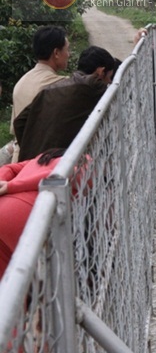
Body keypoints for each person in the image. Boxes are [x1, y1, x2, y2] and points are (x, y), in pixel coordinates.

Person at [13, 46, 117, 161]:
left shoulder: (48, 90)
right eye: (109, 77)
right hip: (54, 164)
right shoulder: (93, 84)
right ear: (101, 72)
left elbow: (19, 122)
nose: (110, 82)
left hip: (31, 163)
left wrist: (31, 149)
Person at [0, 148, 65, 279]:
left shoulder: (42, 157)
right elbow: (57, 177)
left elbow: (9, 168)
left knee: (9, 282)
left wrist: (5, 183)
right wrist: (10, 186)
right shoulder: (83, 159)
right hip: (22, 216)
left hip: (5, 208)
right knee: (40, 283)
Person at [10, 25, 70, 163]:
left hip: (19, 160)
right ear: (56, 53)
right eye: (67, 49)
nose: (69, 54)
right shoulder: (58, 85)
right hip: (40, 163)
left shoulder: (22, 81)